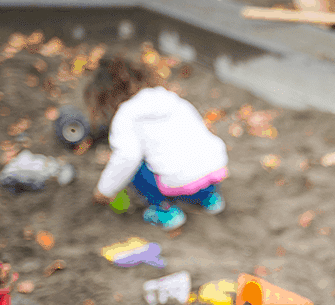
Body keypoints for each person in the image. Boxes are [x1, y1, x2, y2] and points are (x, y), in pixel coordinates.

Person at [86, 57, 229, 230]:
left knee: (135, 167)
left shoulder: (125, 115)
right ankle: (210, 199)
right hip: (213, 170)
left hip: (178, 182)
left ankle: (166, 211)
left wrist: (103, 191)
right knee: (190, 153)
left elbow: (127, 158)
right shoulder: (170, 99)